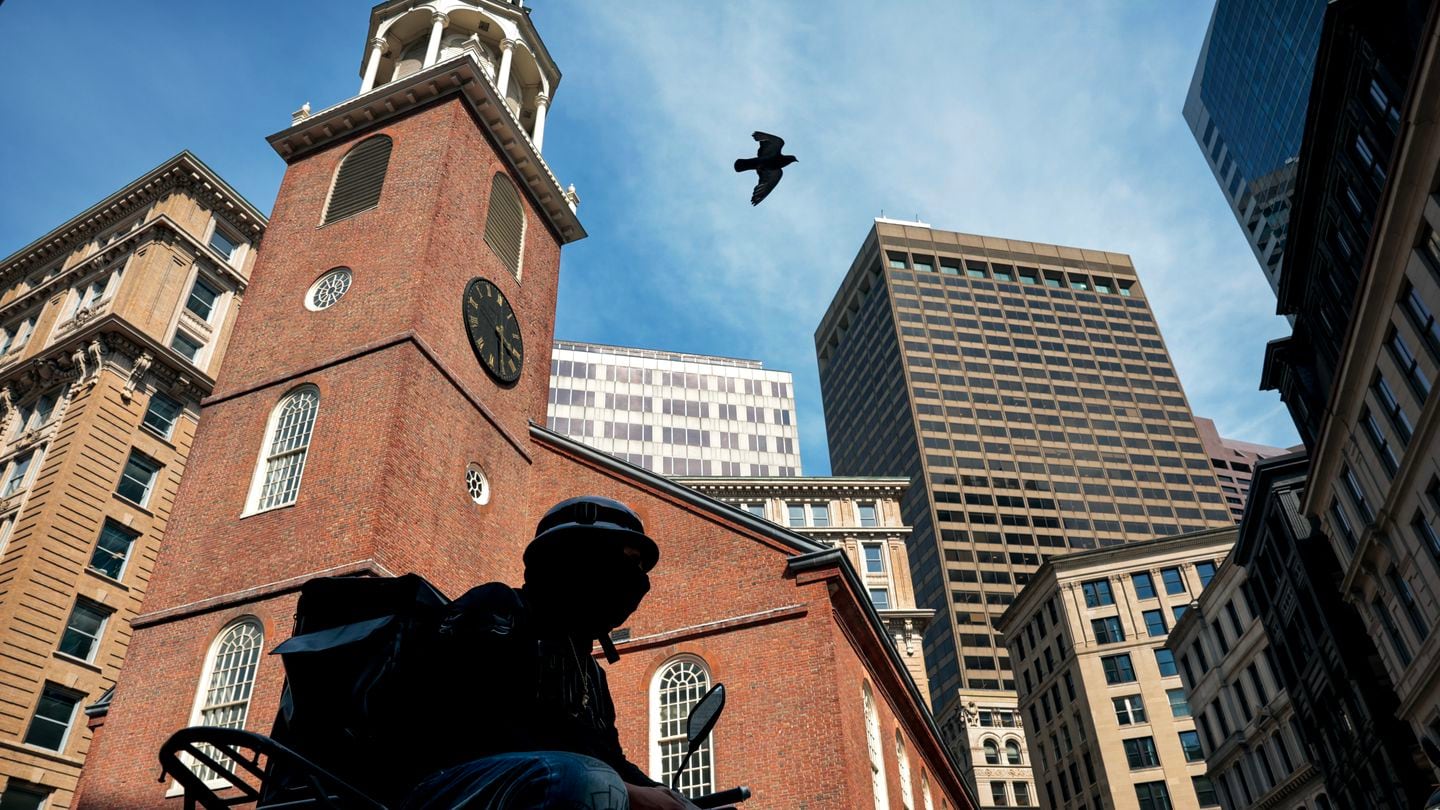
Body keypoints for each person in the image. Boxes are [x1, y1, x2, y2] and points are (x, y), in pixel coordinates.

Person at [397, 496, 703, 810]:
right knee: (582, 779)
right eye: (626, 561)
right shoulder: (499, 609)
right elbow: (477, 728)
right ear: (575, 557)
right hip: (444, 788)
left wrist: (676, 802)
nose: (637, 581)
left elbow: (611, 759)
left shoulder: (591, 672)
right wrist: (630, 794)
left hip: (549, 784)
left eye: (640, 568)